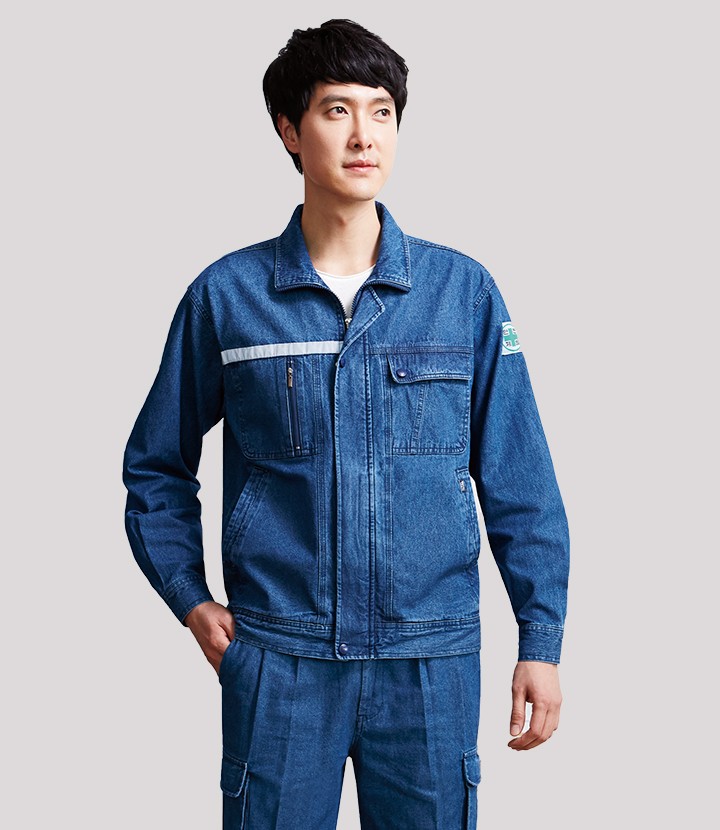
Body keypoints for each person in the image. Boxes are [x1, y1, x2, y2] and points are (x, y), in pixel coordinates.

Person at [122, 18, 570, 830]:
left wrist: (540, 640)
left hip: (428, 662)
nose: (364, 135)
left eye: (381, 111)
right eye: (337, 110)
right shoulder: (228, 297)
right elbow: (156, 467)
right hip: (281, 660)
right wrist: (189, 598)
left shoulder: (462, 293)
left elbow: (520, 478)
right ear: (289, 131)